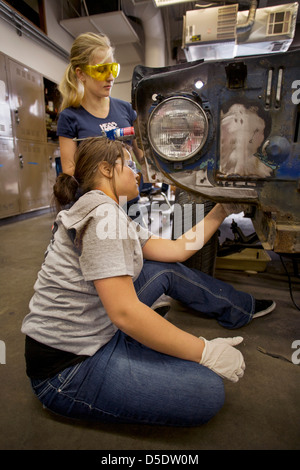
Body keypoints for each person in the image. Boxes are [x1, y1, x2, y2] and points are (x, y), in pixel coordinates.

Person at [21, 137, 275, 426]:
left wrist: (221, 209)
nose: (135, 172)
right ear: (106, 169)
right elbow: (125, 312)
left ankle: (235, 309)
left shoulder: (106, 210)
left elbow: (178, 249)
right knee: (207, 391)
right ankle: (121, 357)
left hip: (92, 331)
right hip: (65, 368)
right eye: (128, 164)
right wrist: (204, 350)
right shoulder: (103, 216)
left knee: (163, 268)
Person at [56, 31, 143, 176]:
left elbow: (143, 158)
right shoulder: (70, 117)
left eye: (112, 69)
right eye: (102, 70)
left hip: (125, 198)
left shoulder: (126, 109)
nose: (110, 78)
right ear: (81, 74)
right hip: (94, 198)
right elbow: (70, 173)